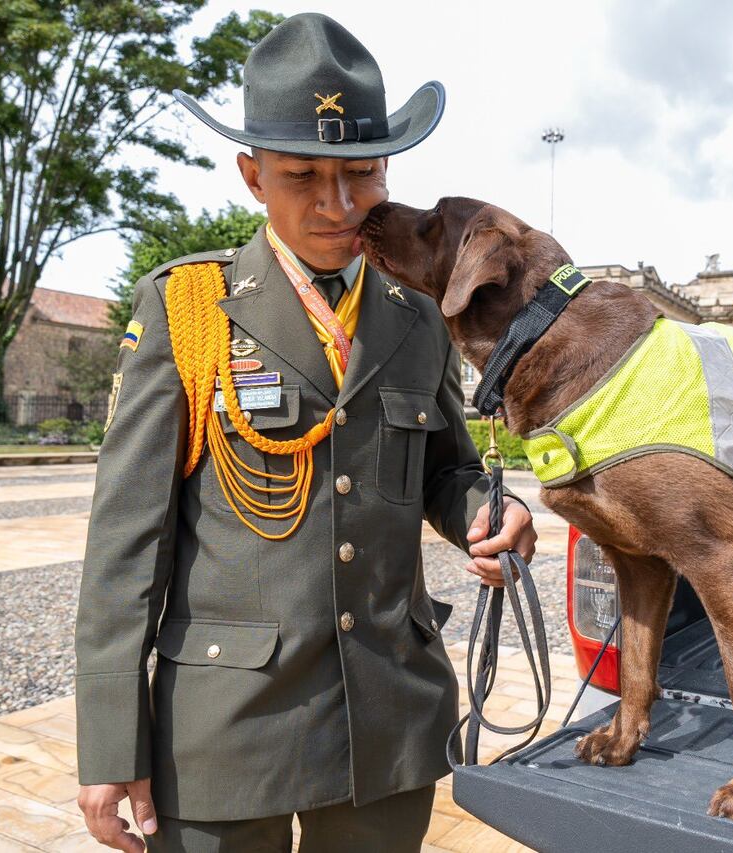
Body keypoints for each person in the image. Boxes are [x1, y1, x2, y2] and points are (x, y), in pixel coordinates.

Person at [74, 14, 536, 852]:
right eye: (302, 177)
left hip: (386, 721)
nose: (339, 203)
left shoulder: (417, 312)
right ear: (252, 175)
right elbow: (124, 543)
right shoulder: (188, 307)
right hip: (227, 730)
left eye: (362, 174)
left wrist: (483, 509)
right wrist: (109, 741)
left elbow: (445, 467)